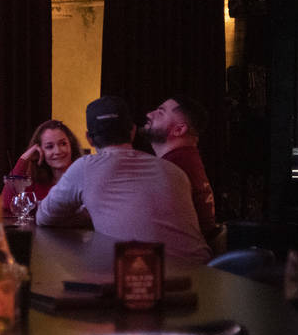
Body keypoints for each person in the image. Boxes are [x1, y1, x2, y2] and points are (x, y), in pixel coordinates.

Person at [37, 96, 210, 264]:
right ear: (133, 131)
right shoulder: (174, 171)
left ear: (89, 138)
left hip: (148, 279)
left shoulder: (84, 167)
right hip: (206, 274)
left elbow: (44, 217)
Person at [142, 95, 220, 246]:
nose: (149, 114)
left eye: (160, 112)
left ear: (179, 129)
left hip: (181, 263)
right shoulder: (187, 159)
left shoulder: (173, 168)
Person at [1, 119, 82, 214]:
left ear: (71, 146)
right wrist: (24, 159)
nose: (58, 151)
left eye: (63, 144)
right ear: (40, 151)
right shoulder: (35, 183)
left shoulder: (85, 176)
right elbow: (7, 205)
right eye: (49, 146)